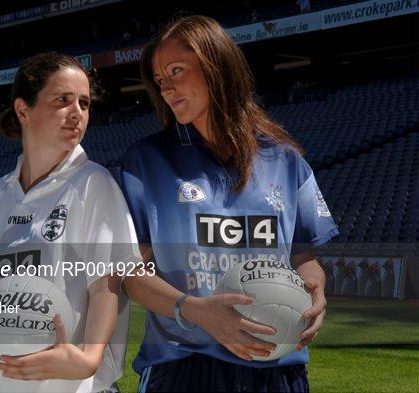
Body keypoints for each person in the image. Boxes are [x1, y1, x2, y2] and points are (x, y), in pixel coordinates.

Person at [120, 15, 339, 392]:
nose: (167, 88)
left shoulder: (287, 163)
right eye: (160, 81)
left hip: (276, 361)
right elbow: (130, 274)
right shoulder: (145, 163)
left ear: (216, 67)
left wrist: (314, 291)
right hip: (183, 363)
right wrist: (196, 311)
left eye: (176, 71)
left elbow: (305, 257)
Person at [0, 51, 141, 393]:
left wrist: (89, 358)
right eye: (63, 100)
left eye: (85, 103)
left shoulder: (93, 183)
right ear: (23, 110)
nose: (77, 113)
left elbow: (107, 282)